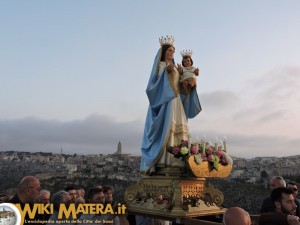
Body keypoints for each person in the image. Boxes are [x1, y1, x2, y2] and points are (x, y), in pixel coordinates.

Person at [140, 35, 202, 175]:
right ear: (163, 53)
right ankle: (164, 162)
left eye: (173, 51)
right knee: (167, 129)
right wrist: (166, 74)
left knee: (178, 129)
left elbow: (180, 88)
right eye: (170, 51)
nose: (172, 53)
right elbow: (153, 86)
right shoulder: (161, 66)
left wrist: (189, 84)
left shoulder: (175, 68)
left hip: (176, 102)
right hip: (165, 102)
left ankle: (178, 160)